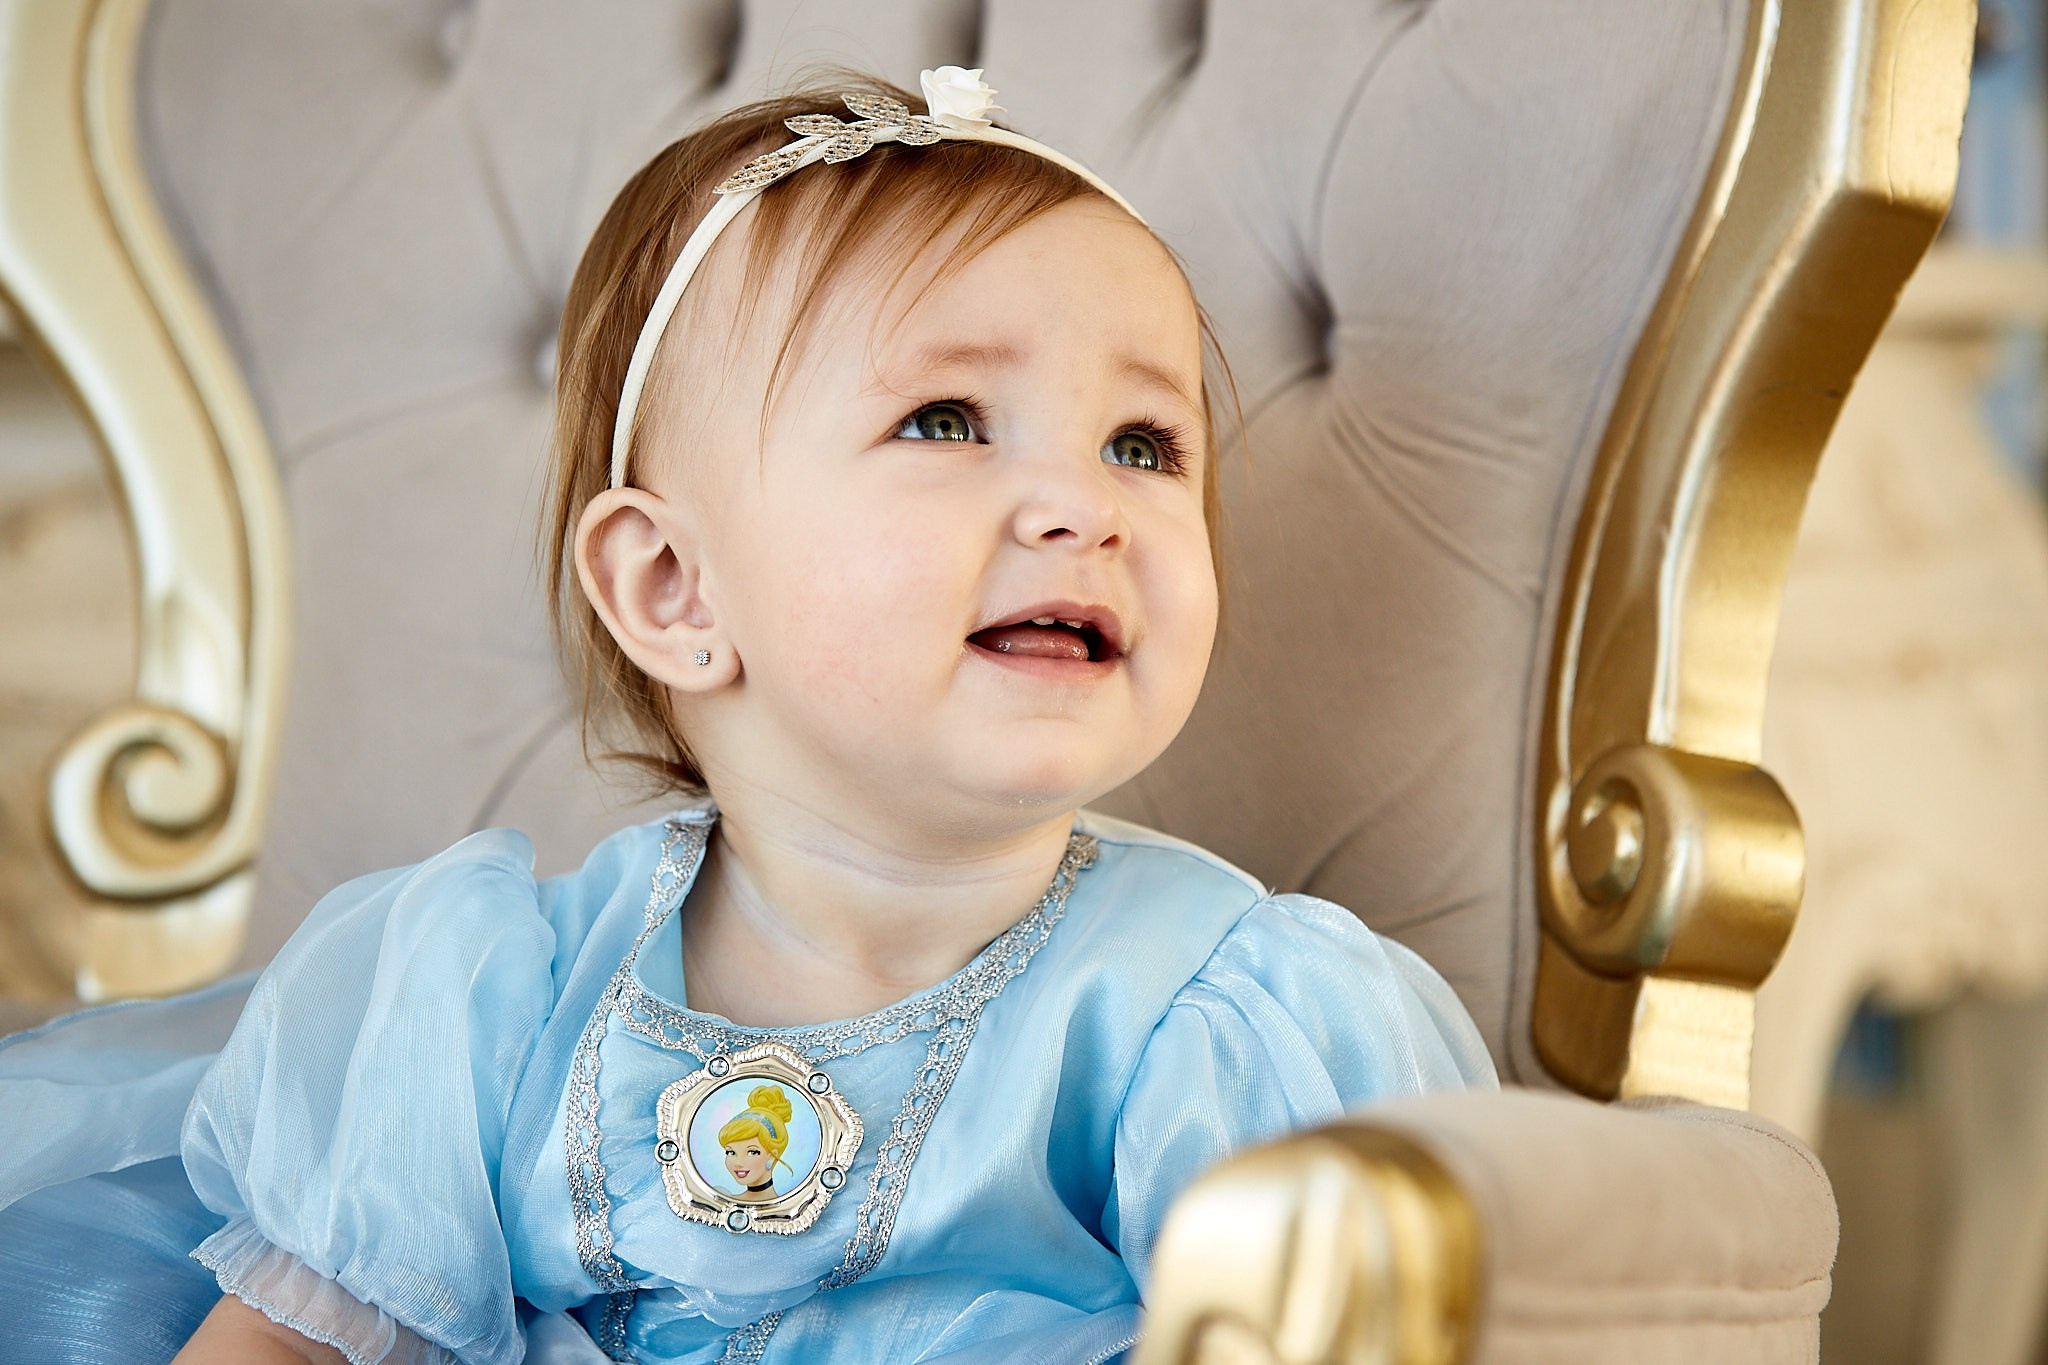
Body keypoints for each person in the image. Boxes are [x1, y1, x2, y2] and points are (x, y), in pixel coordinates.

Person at [0, 67, 1495, 1364]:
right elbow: (291, 1342)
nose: (1084, 506)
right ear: (672, 589)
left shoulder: (1212, 1016)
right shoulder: (481, 1000)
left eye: (1144, 442)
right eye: (948, 420)